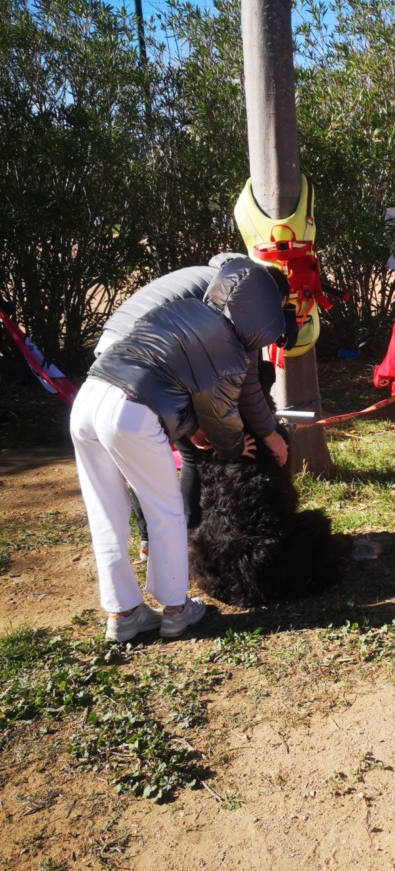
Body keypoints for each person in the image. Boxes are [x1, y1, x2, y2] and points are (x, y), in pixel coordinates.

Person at [71, 256, 290, 642]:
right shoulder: (227, 340)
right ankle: (175, 609)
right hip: (130, 411)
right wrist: (237, 440)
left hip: (89, 399)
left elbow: (171, 378)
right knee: (166, 512)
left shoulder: (187, 311)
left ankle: (123, 614)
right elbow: (222, 418)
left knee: (105, 512)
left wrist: (190, 430)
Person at [96, 254, 295, 552]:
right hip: (145, 360)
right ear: (268, 297)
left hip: (113, 350)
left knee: (141, 457)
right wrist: (271, 435)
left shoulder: (217, 277)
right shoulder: (243, 300)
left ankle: (151, 539)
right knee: (188, 454)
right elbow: (246, 382)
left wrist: (189, 425)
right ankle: (185, 539)